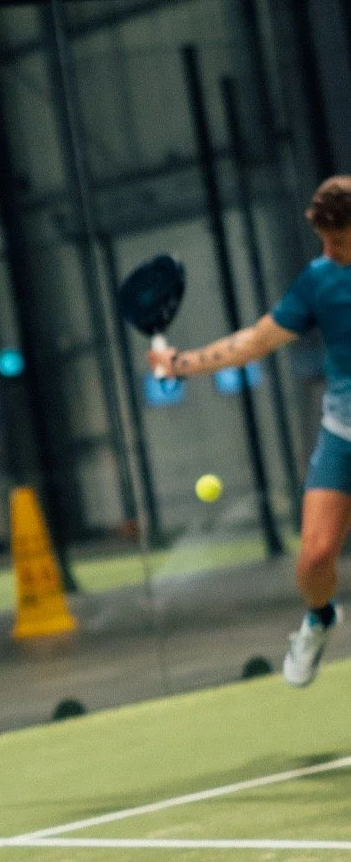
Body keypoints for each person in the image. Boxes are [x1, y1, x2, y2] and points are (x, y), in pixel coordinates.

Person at [149, 175, 351, 689]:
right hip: (342, 432)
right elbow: (254, 342)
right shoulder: (318, 280)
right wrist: (181, 363)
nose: (331, 250)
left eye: (340, 239)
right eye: (324, 240)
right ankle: (319, 619)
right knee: (314, 558)